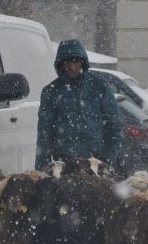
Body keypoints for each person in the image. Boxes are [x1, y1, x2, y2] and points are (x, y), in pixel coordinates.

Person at [35, 39, 123, 171]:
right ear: (61, 64)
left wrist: (107, 159)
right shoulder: (51, 91)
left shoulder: (100, 87)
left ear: (82, 62)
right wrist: (41, 169)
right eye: (67, 62)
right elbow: (45, 134)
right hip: (63, 166)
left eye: (75, 61)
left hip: (96, 164)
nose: (72, 67)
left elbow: (115, 126)